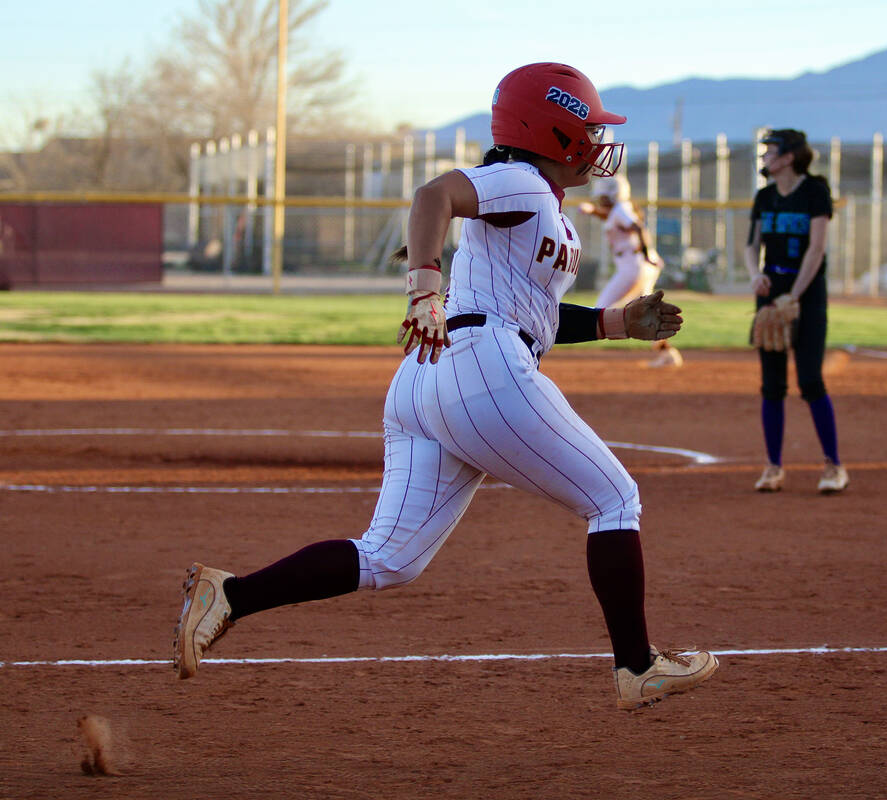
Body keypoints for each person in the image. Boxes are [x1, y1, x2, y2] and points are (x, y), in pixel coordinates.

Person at [172, 62, 717, 711]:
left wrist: (615, 323)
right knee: (614, 500)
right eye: (589, 126)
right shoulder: (521, 177)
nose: (598, 141)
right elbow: (433, 196)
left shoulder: (540, 201)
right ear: (554, 130)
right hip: (480, 364)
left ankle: (230, 596)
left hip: (433, 373)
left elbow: (530, 314)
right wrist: (423, 288)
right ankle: (637, 666)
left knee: (387, 558)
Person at [744, 128, 848, 494]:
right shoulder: (765, 195)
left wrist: (795, 295)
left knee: (810, 380)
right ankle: (773, 467)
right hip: (771, 293)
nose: (765, 157)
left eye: (771, 151)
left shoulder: (815, 191)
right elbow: (751, 246)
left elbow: (816, 249)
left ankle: (834, 466)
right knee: (772, 385)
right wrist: (755, 276)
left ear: (789, 157)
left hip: (806, 296)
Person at [578, 175, 683, 368]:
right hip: (637, 265)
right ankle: (667, 353)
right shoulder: (619, 209)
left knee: (600, 309)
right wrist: (593, 211)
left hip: (634, 266)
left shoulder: (620, 209)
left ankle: (629, 333)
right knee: (647, 311)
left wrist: (646, 253)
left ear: (614, 194)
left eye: (603, 195)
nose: (600, 199)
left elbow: (638, 228)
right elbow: (611, 217)